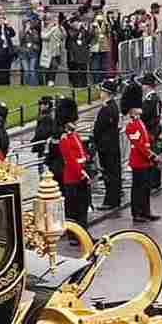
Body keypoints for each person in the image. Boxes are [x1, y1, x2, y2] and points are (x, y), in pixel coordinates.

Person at [55, 98, 92, 237]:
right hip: (72, 177)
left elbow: (81, 153)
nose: (75, 122)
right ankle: (73, 236)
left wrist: (87, 160)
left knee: (83, 208)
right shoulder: (64, 139)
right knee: (74, 209)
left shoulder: (74, 135)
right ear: (66, 123)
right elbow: (70, 160)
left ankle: (84, 235)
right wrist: (82, 173)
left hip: (80, 175)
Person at [125, 102, 159, 223]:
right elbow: (139, 145)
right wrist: (151, 155)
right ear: (132, 111)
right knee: (138, 188)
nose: (140, 109)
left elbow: (145, 140)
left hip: (145, 160)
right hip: (139, 160)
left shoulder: (139, 122)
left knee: (146, 188)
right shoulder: (130, 125)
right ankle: (137, 213)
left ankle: (146, 211)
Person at [91, 86, 123, 211]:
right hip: (112, 145)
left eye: (102, 91)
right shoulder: (113, 106)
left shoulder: (106, 109)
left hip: (106, 147)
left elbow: (99, 129)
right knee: (113, 173)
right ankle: (114, 198)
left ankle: (110, 200)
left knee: (109, 174)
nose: (101, 93)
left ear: (107, 93)